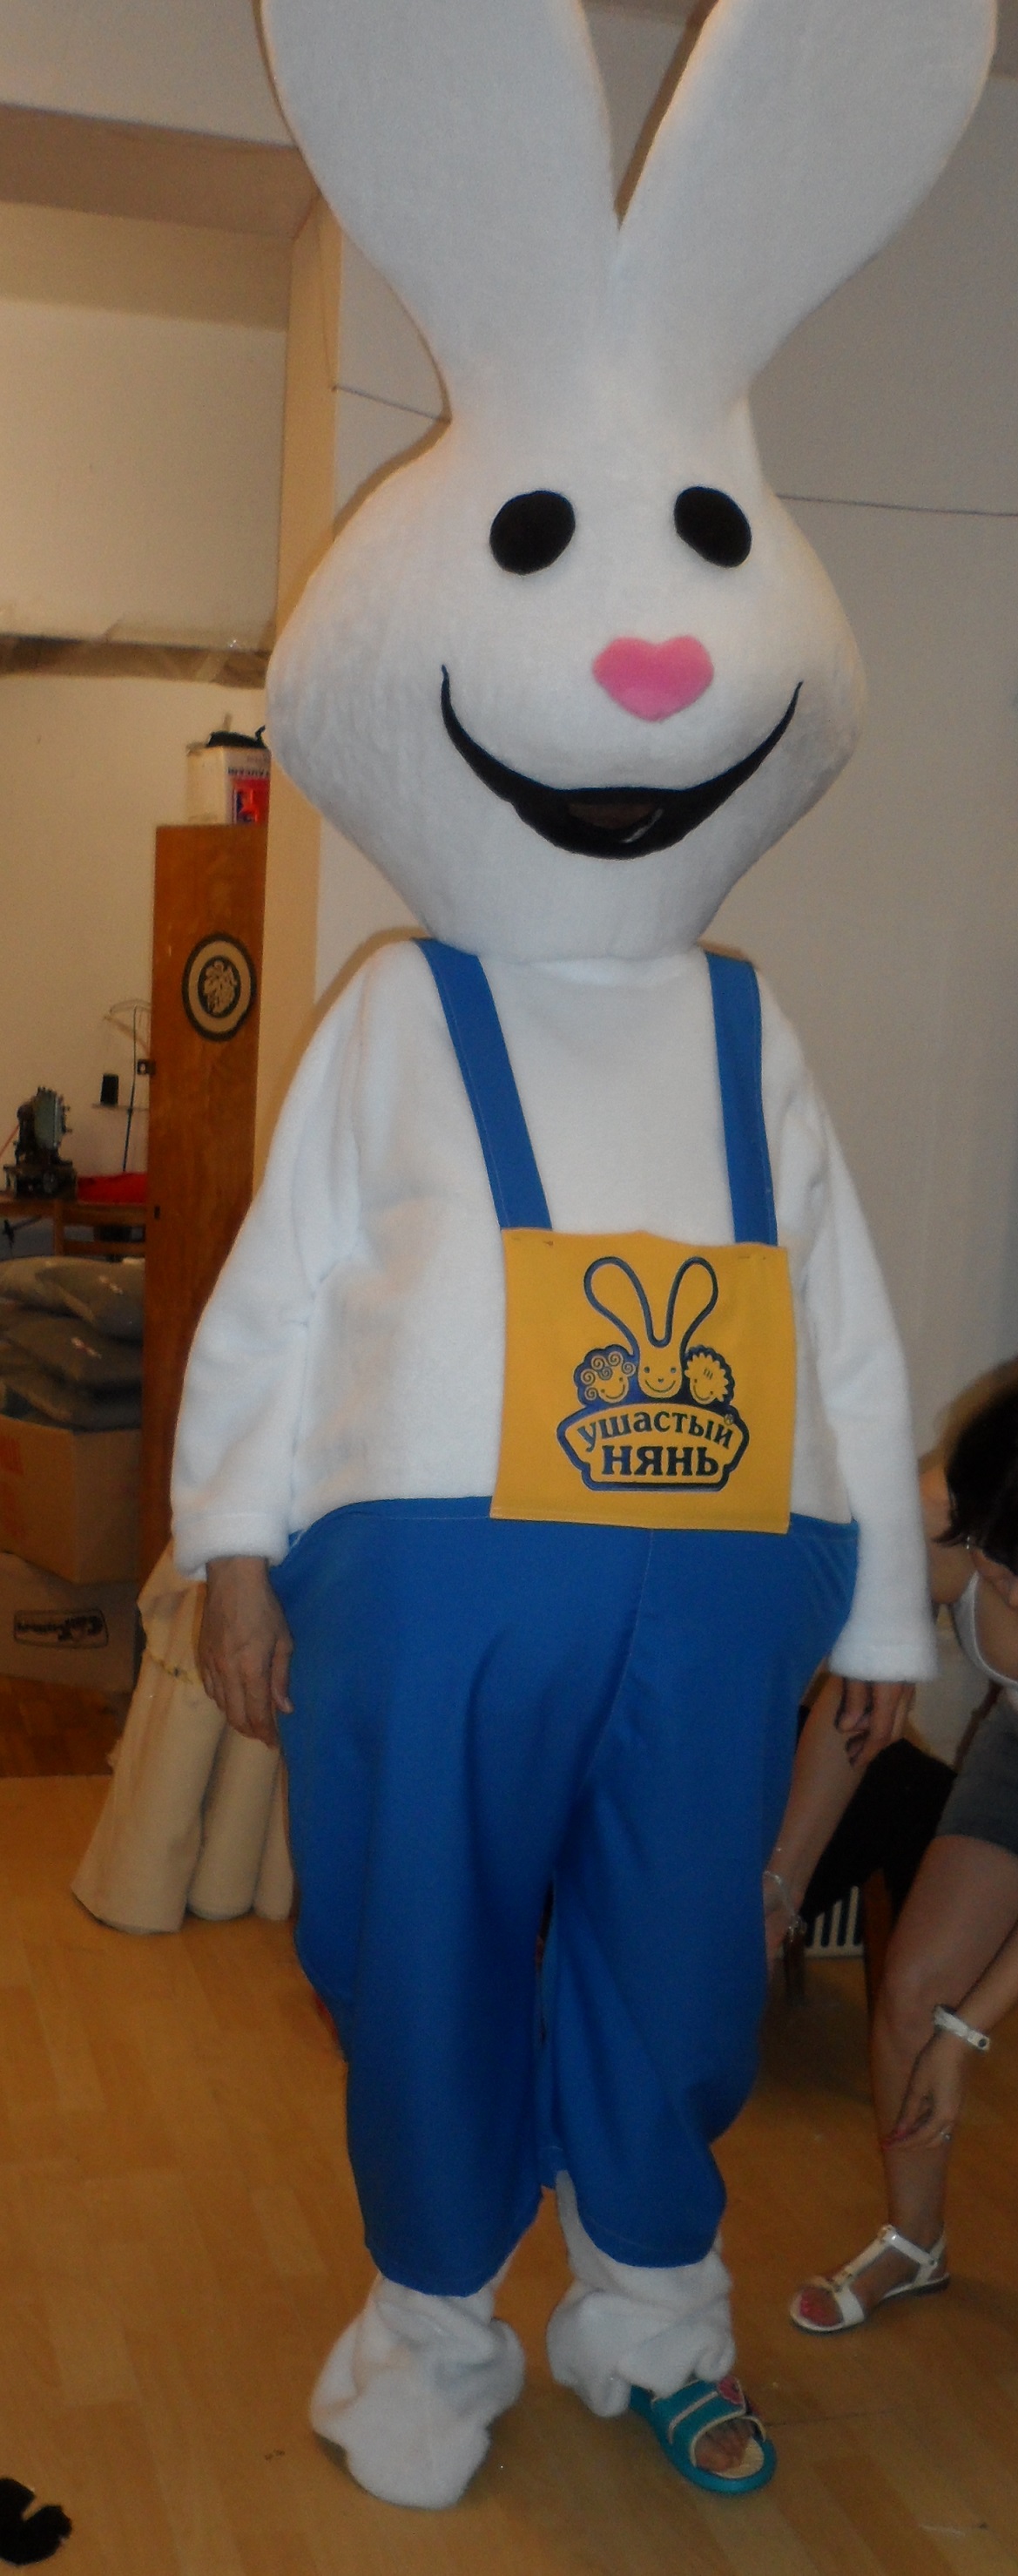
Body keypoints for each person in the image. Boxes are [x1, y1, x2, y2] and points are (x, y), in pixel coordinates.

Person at [772, 1378, 1018, 2332]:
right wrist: (780, 1885)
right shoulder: (933, 1511)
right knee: (914, 1991)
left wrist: (968, 2037)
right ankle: (915, 2243)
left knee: (948, 2021)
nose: (1007, 1592)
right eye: (997, 1567)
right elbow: (859, 1708)